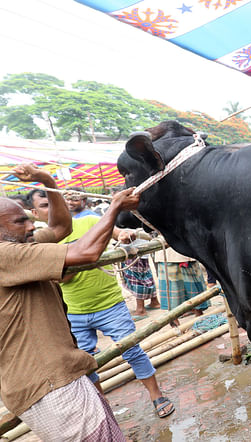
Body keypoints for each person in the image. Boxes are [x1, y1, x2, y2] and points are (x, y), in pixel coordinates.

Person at [0, 164, 137, 442]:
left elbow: (61, 227)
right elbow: (85, 252)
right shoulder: (6, 254)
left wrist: (46, 180)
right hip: (50, 385)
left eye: (29, 218)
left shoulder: (20, 245)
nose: (31, 225)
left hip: (55, 378)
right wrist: (113, 209)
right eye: (19, 222)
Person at [34, 193, 176, 419]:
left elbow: (119, 234)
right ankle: (104, 409)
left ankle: (156, 394)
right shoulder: (39, 242)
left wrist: (126, 234)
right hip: (74, 311)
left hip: (110, 304)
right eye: (45, 205)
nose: (53, 208)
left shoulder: (90, 221)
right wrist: (77, 260)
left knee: (132, 349)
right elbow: (58, 279)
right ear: (35, 214)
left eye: (56, 202)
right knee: (86, 364)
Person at [155, 247, 210, 317]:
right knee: (173, 289)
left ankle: (197, 313)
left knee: (191, 285)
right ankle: (174, 319)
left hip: (185, 252)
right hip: (168, 253)